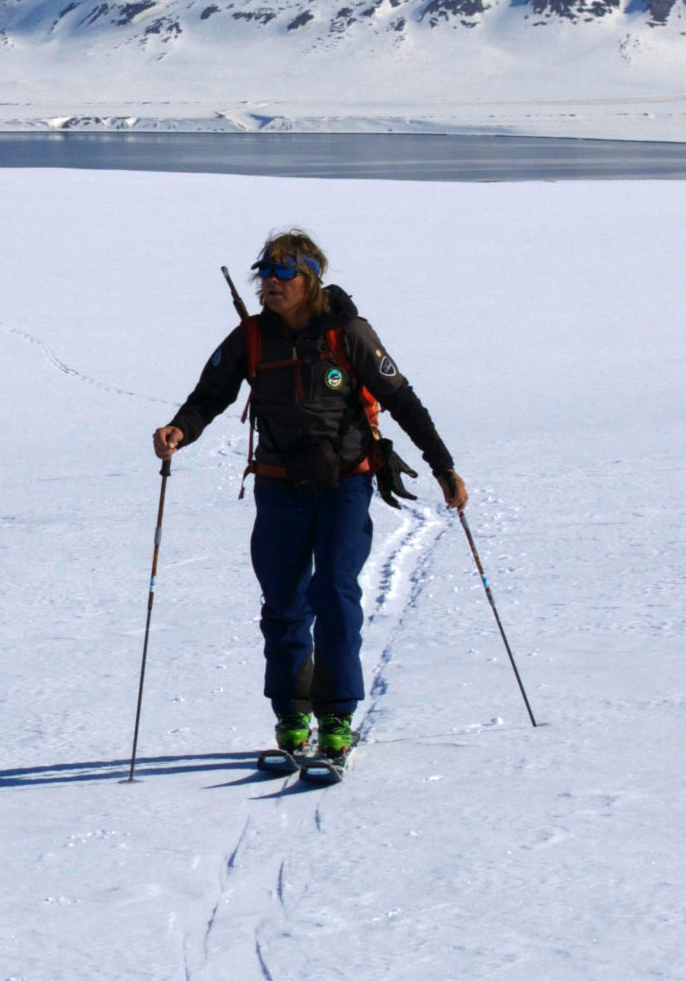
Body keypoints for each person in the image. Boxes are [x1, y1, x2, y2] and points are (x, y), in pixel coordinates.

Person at [150, 229, 464, 770]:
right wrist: (181, 428)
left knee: (334, 595)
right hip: (277, 486)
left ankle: (337, 718)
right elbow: (210, 394)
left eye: (282, 274)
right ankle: (292, 716)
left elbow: (401, 398)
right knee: (284, 602)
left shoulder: (350, 334)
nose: (269, 284)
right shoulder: (250, 338)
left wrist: (442, 465)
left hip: (345, 483)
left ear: (310, 280)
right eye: (265, 274)